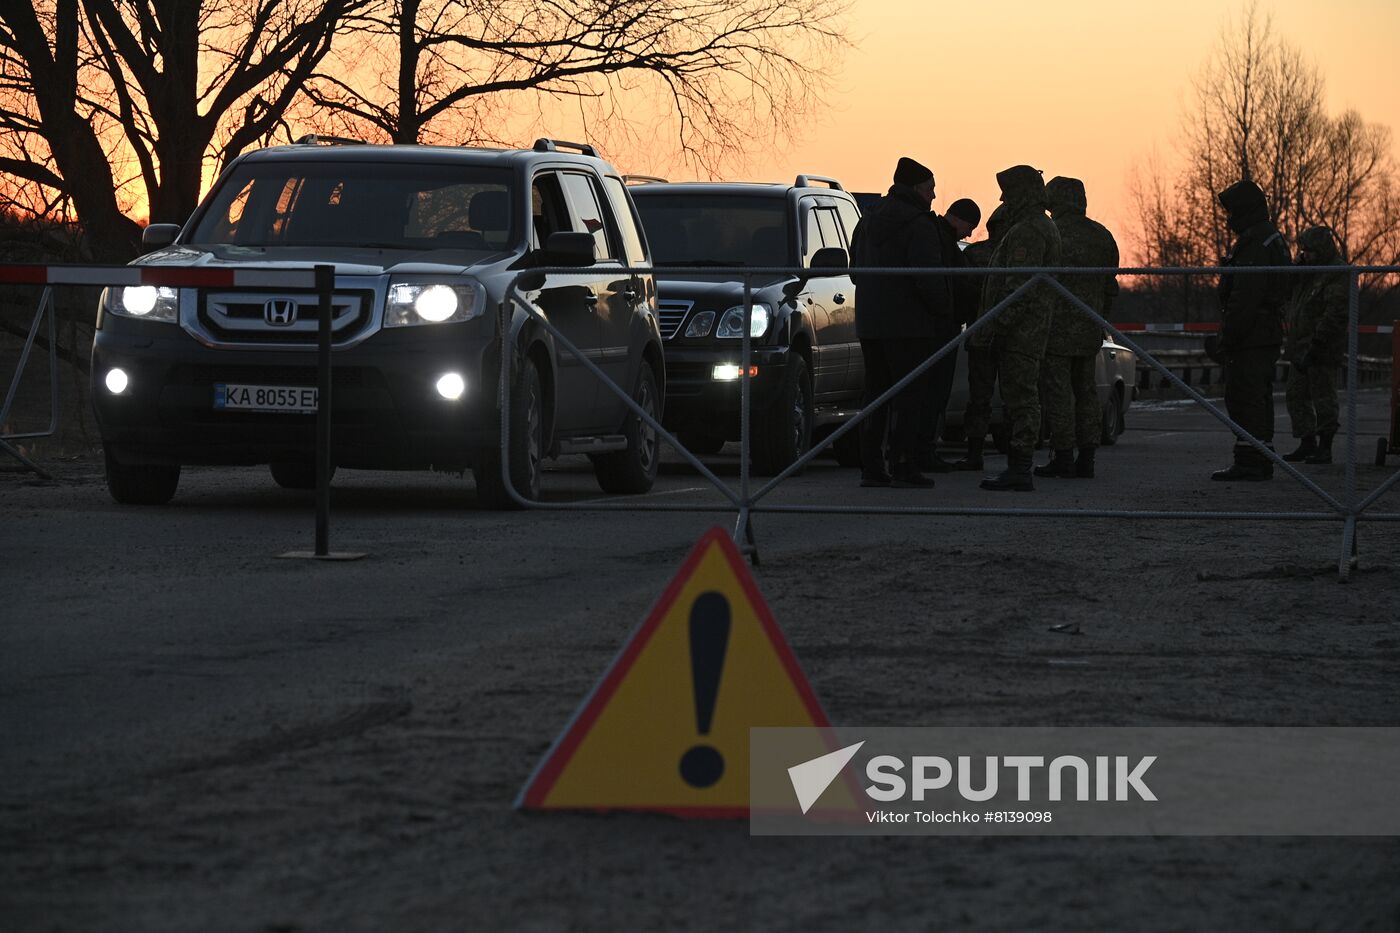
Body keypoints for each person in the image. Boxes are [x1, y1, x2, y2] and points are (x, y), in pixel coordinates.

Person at [848, 156, 953, 488]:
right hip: (910, 326)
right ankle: (904, 464)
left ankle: (871, 466)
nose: (934, 196)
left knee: (876, 393)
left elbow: (853, 271)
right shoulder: (920, 224)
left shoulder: (868, 220)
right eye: (931, 188)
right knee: (910, 396)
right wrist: (944, 312)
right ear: (916, 188)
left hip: (870, 323)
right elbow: (928, 277)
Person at [971, 165, 1061, 492]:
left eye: (1007, 192)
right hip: (1028, 328)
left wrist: (998, 327)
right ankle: (1018, 465)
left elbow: (1018, 288)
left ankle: (1020, 467)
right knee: (1021, 398)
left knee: (1021, 399)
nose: (1002, 198)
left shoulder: (1028, 231)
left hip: (1020, 332)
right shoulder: (1038, 226)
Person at [1035, 176, 1119, 479]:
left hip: (1054, 331)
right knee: (1086, 393)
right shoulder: (1102, 235)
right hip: (1089, 330)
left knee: (1058, 395)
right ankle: (1087, 458)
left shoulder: (1051, 233)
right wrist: (1099, 319)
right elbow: (1111, 287)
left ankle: (1063, 457)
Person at [1207, 179, 1291, 481]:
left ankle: (1251, 459)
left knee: (1245, 394)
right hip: (1262, 331)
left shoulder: (1256, 242)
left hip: (1252, 333)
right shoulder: (1269, 238)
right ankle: (1258, 454)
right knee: (1256, 395)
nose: (1228, 218)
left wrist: (1228, 337)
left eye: (1231, 212)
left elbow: (1246, 296)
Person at [919, 197, 981, 472]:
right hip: (939, 328)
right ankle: (924, 451)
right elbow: (950, 284)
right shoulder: (942, 242)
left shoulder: (939, 239)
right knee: (933, 394)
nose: (969, 234)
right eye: (969, 226)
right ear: (957, 218)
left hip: (936, 326)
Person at [1282, 225, 1348, 465]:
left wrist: (1318, 342)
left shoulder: (1336, 272)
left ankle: (1325, 446)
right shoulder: (1308, 271)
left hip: (1322, 345)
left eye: (1309, 250)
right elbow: (1287, 291)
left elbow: (1336, 311)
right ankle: (1307, 441)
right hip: (1299, 344)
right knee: (1295, 394)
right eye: (1303, 250)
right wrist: (1297, 270)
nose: (1305, 254)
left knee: (1323, 396)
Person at [952, 203, 1009, 471]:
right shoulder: (1022, 255)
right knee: (1015, 397)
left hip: (982, 335)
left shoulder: (975, 254)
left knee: (980, 397)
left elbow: (961, 293)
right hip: (1010, 336)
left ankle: (975, 452)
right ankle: (1017, 454)